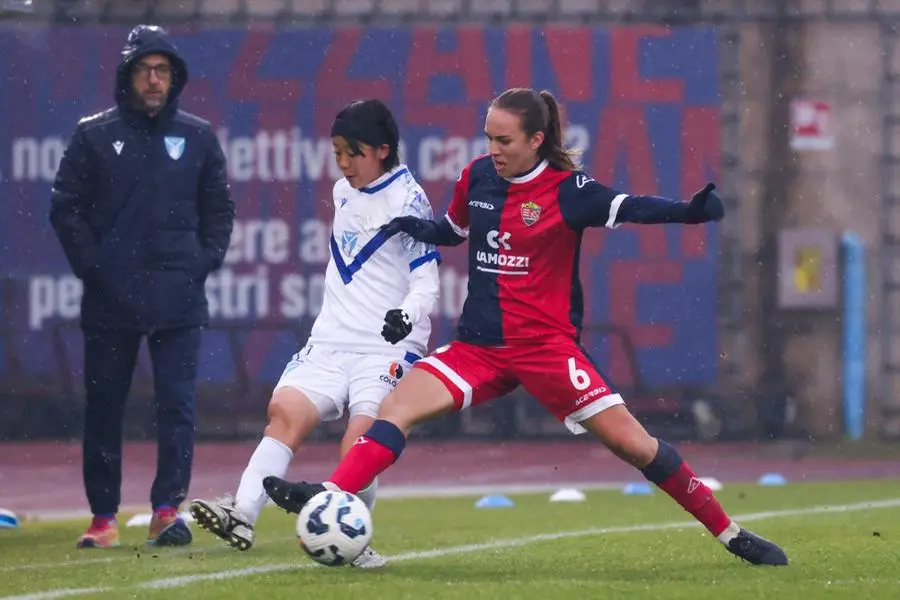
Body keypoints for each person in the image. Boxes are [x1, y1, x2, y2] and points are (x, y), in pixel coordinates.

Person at [262, 87, 789, 567]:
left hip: (545, 350)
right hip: (478, 347)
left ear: (537, 140)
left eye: (504, 139)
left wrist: (688, 212)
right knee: (395, 408)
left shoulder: (568, 190)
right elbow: (452, 229)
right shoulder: (478, 177)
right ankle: (329, 496)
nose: (493, 148)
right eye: (489, 137)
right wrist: (419, 228)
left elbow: (631, 207)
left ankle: (730, 533)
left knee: (637, 446)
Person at [189, 99, 441, 569]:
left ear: (383, 150)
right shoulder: (344, 190)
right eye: (337, 152)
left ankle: (355, 543)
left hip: (387, 346)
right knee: (284, 413)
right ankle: (240, 514)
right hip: (330, 339)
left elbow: (427, 280)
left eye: (354, 152)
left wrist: (406, 316)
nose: (344, 163)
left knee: (361, 442)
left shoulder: (409, 201)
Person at [49, 24, 235, 549]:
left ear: (174, 78)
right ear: (126, 76)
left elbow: (219, 210)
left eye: (163, 71)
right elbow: (66, 208)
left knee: (177, 408)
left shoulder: (198, 137)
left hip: (178, 298)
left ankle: (166, 509)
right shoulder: (93, 134)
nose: (154, 81)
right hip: (111, 299)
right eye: (144, 70)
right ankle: (102, 518)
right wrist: (96, 267)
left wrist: (201, 263)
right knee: (104, 407)